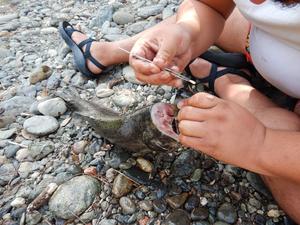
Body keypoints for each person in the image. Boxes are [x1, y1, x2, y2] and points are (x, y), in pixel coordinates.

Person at [59, 0, 300, 222]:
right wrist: (187, 32)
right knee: (233, 19)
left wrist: (260, 144)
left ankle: (229, 83)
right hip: (262, 39)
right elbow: (210, 6)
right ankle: (107, 51)